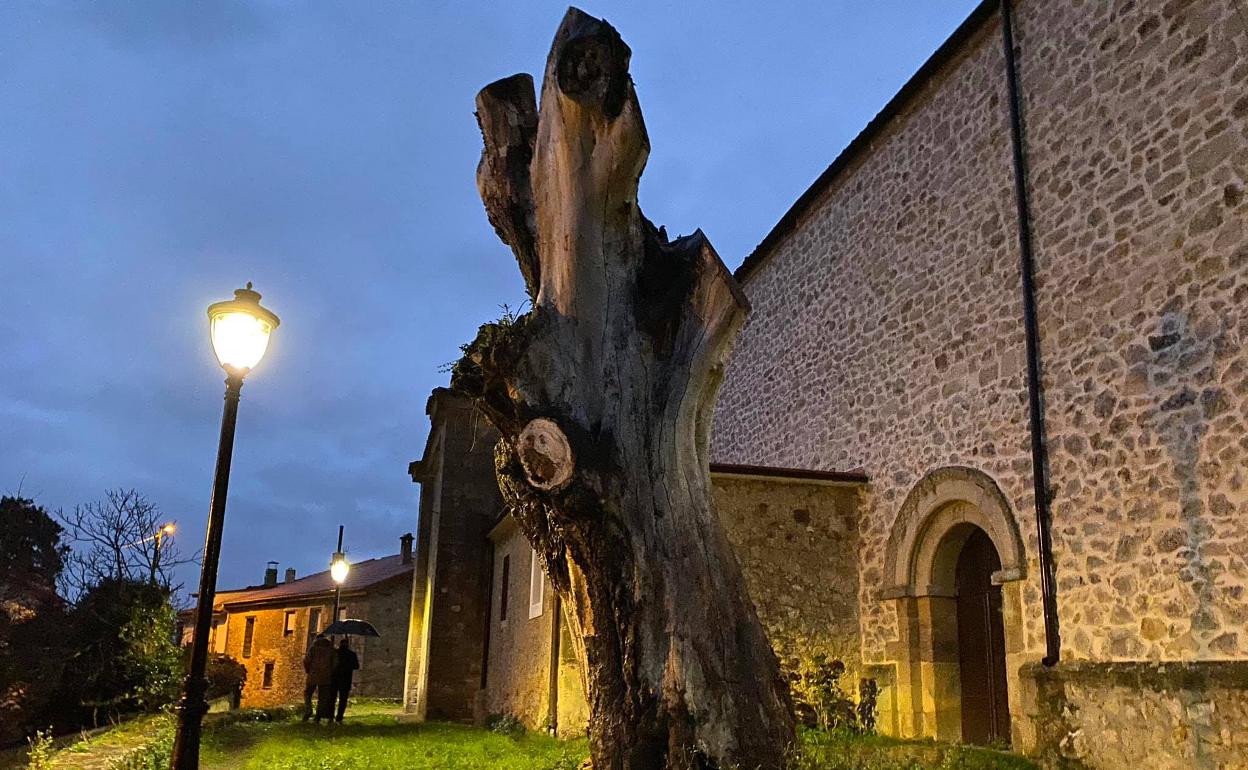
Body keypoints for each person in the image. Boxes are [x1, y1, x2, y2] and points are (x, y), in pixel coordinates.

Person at [302, 634, 334, 723]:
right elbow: (335, 662)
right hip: (326, 676)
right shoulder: (330, 649)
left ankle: (308, 709)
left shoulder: (313, 648)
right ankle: (318, 716)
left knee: (307, 693)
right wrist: (330, 672)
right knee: (322, 697)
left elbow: (306, 660)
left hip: (313, 674)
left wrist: (308, 670)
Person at [331, 637, 360, 723]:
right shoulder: (351, 654)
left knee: (332, 698)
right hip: (346, 679)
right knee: (343, 700)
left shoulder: (336, 653)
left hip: (335, 678)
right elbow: (356, 666)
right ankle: (339, 717)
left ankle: (331, 716)